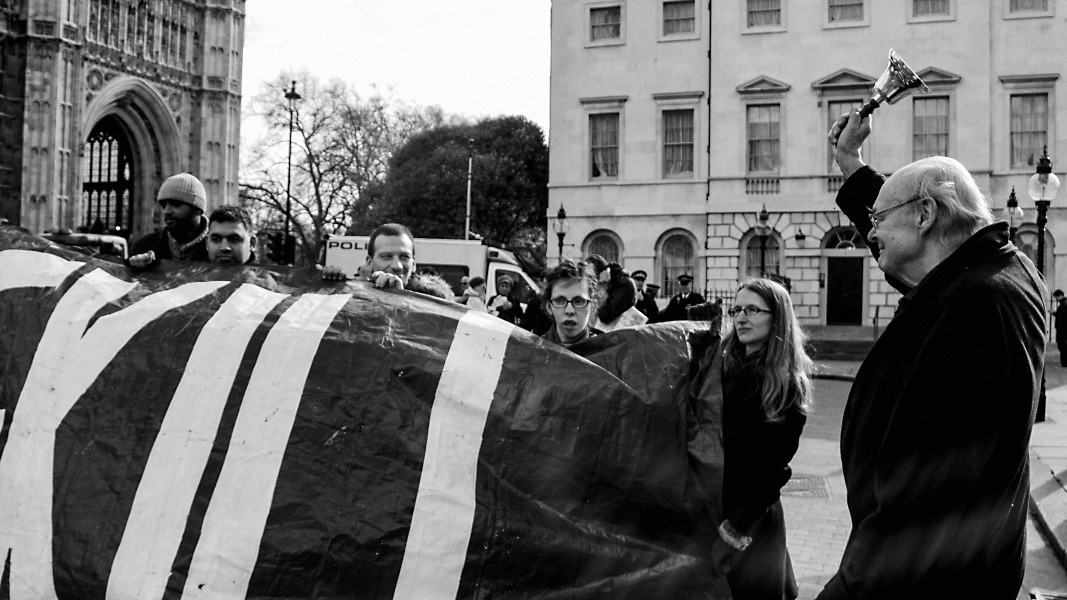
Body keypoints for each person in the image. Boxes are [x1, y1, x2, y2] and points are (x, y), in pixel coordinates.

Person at [816, 108, 1046, 599]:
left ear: (924, 216)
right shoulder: (977, 271)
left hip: (932, 580)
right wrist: (850, 163)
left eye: (878, 218)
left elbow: (926, 496)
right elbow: (908, 251)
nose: (870, 231)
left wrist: (850, 588)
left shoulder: (980, 305)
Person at [711, 278, 812, 600]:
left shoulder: (785, 385)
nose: (740, 317)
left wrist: (733, 533)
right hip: (717, 509)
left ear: (777, 317)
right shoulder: (725, 367)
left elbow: (771, 472)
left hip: (749, 523)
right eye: (737, 309)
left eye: (752, 310)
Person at [128, 173, 210, 268]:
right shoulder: (144, 246)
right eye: (164, 205)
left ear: (198, 209)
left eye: (176, 204)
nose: (166, 211)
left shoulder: (217, 248)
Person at [321, 223, 415, 289]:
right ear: (369, 262)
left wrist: (399, 297)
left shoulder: (429, 305)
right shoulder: (353, 299)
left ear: (414, 265)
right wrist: (325, 287)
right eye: (387, 256)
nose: (397, 266)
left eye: (404, 257)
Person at [540, 258, 603, 348]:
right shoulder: (534, 354)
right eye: (560, 301)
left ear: (593, 306)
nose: (569, 311)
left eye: (579, 301)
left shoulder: (606, 357)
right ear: (549, 307)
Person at [597, 261, 638, 326]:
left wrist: (603, 284)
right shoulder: (621, 282)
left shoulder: (623, 285)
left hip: (616, 332)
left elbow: (605, 316)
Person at [1055, 289, 1067, 367]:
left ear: (1060, 296)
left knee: (1062, 345)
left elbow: (1061, 315)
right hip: (1063, 328)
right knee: (1063, 345)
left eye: (1056, 297)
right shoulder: (1064, 303)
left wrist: (1054, 313)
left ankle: (1064, 363)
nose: (1056, 299)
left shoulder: (1063, 304)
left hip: (1062, 328)